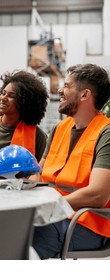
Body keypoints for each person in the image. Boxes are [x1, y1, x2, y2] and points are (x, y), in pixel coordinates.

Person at [33, 63, 110, 259]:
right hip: (56, 215)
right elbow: (38, 173)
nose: (60, 90)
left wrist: (47, 208)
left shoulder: (106, 133)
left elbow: (97, 195)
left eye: (67, 86)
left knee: (21, 238)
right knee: (8, 224)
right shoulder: (60, 129)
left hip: (88, 222)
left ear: (84, 95)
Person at [0, 70, 49, 163]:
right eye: (3, 93)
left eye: (11, 96)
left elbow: (42, 169)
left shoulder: (37, 135)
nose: (3, 98)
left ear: (25, 102)